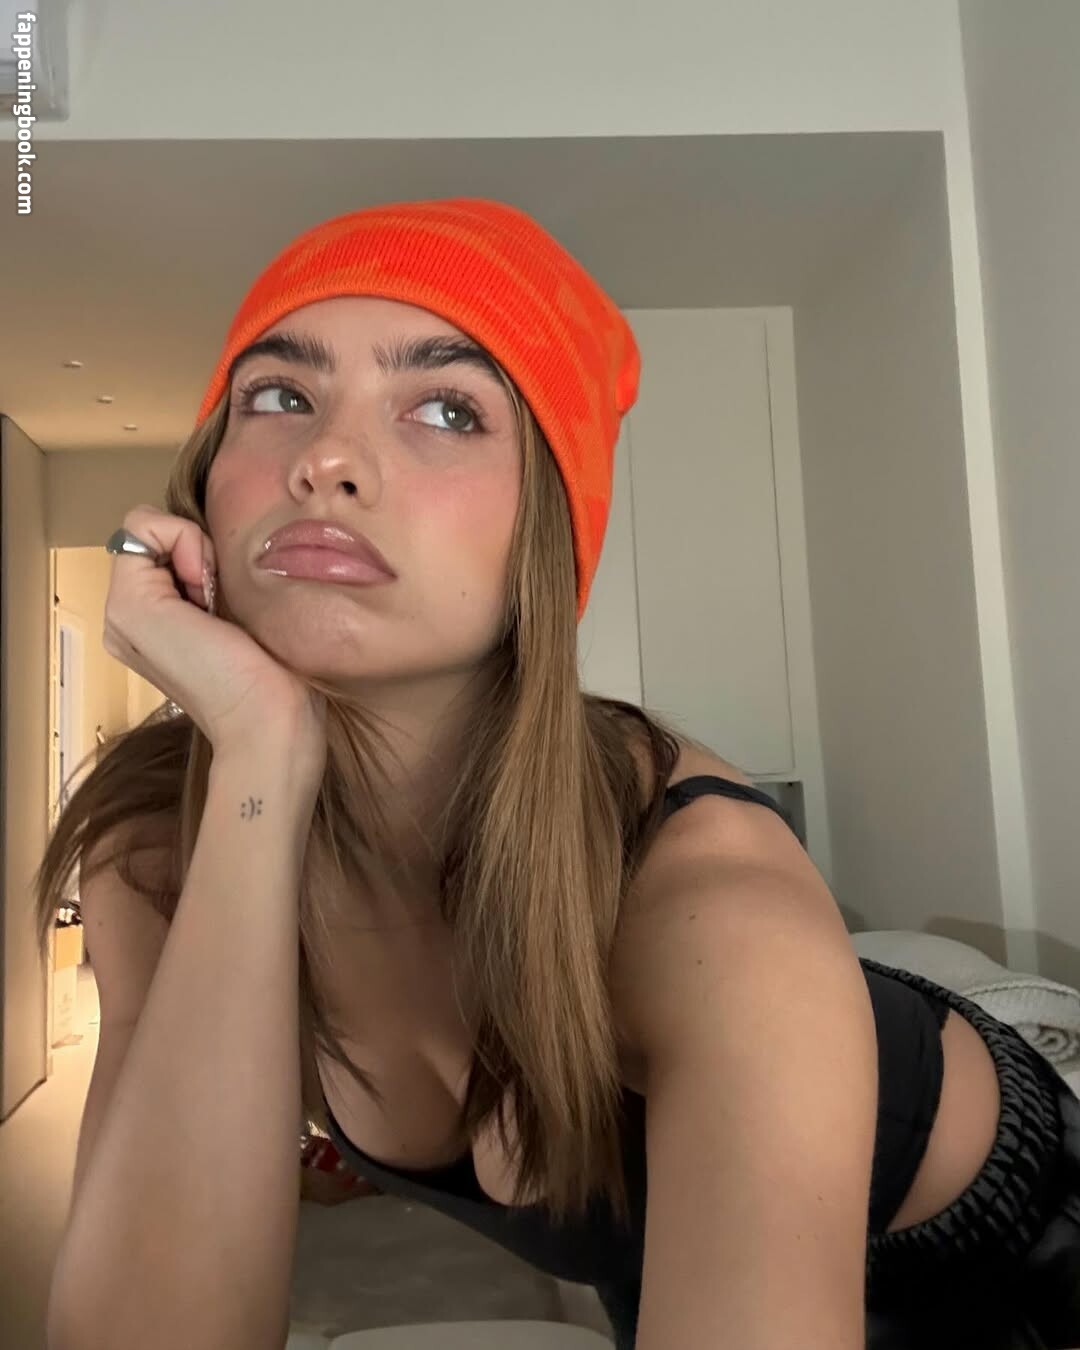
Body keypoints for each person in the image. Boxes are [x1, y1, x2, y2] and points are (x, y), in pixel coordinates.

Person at [35, 198, 1080, 1350]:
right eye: (280, 395)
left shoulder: (705, 901)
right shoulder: (155, 849)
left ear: (547, 528)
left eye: (448, 409)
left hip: (1020, 1254)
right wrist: (259, 759)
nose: (325, 459)